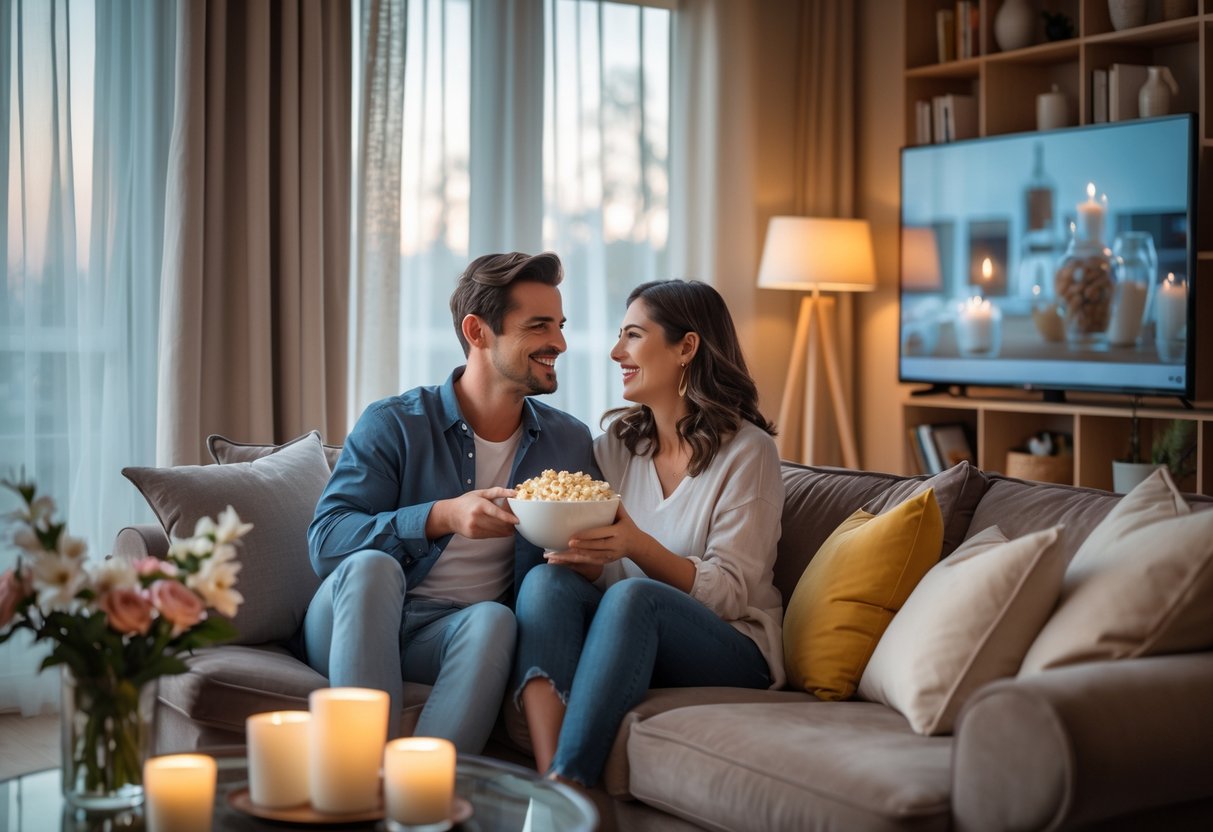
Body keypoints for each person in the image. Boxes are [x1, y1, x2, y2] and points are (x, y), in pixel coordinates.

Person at [304, 251, 598, 752]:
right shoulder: (395, 422)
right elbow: (326, 542)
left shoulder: (568, 442)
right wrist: (443, 516)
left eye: (561, 325)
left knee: (496, 619)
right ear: (477, 332)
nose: (560, 343)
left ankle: (424, 797)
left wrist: (587, 557)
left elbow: (576, 571)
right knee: (374, 567)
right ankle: (356, 774)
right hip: (355, 618)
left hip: (449, 635)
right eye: (539, 326)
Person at [511, 279, 786, 785]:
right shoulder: (618, 446)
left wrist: (638, 545)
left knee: (638, 596)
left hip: (731, 646)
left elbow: (729, 594)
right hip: (633, 634)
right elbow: (605, 575)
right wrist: (588, 563)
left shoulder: (748, 453)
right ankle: (557, 787)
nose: (617, 352)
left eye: (633, 336)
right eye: (620, 336)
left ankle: (568, 784)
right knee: (545, 583)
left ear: (686, 347)